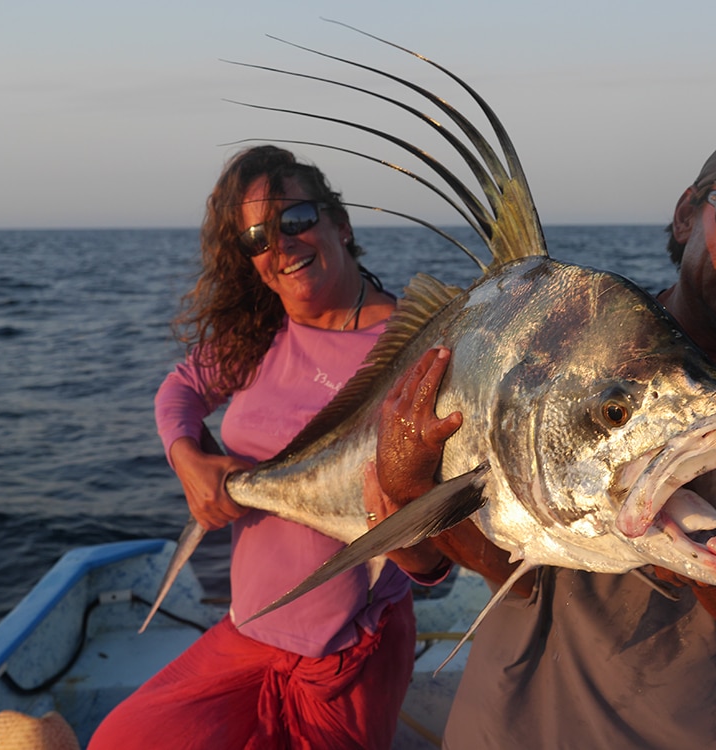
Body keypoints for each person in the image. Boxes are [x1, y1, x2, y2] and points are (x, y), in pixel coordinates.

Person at [368, 125, 716, 749]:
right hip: (497, 730)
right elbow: (509, 575)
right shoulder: (567, 342)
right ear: (689, 214)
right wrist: (411, 485)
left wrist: (696, 540)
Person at [90, 144, 448, 750]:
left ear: (341, 223)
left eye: (295, 220)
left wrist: (420, 558)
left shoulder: (416, 346)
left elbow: (447, 525)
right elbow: (179, 390)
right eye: (256, 238)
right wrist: (189, 461)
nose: (278, 246)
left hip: (347, 650)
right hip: (248, 631)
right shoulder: (260, 337)